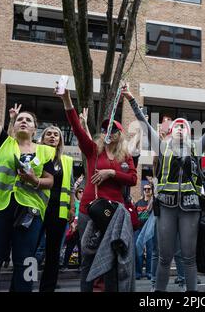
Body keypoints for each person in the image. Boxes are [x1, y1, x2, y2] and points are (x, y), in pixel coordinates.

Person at [121, 83, 205, 292]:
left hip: (190, 209)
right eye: (177, 126)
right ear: (171, 132)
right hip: (167, 208)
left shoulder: (197, 148)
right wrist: (132, 100)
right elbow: (144, 123)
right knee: (164, 257)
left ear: (188, 133)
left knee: (188, 257)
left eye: (184, 126)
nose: (180, 128)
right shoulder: (162, 146)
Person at [0, 67, 55, 292]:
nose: (23, 122)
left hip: (30, 212)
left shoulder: (45, 152)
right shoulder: (3, 142)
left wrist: (35, 180)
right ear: (14, 125)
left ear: (34, 129)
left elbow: (50, 181)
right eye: (20, 119)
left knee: (26, 263)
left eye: (28, 120)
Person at [56, 88, 137, 292]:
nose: (108, 132)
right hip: (89, 211)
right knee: (88, 257)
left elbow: (133, 179)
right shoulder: (93, 150)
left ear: (119, 135)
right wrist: (67, 100)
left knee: (111, 258)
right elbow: (75, 127)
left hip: (114, 214)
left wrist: (111, 172)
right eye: (105, 129)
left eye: (113, 130)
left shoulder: (125, 157)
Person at [36, 126, 75, 292]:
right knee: (30, 249)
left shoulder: (66, 160)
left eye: (56, 135)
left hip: (58, 212)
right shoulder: (36, 155)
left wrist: (72, 209)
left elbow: (72, 187)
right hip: (36, 209)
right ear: (43, 138)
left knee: (53, 254)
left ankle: (47, 287)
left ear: (60, 140)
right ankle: (25, 283)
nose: (52, 137)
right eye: (49, 134)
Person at [135, 184, 153, 280]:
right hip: (139, 229)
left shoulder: (153, 203)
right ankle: (138, 273)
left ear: (151, 190)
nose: (146, 190)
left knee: (150, 252)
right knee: (138, 250)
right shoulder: (138, 203)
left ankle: (149, 273)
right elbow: (134, 215)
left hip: (150, 229)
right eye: (145, 189)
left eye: (148, 189)